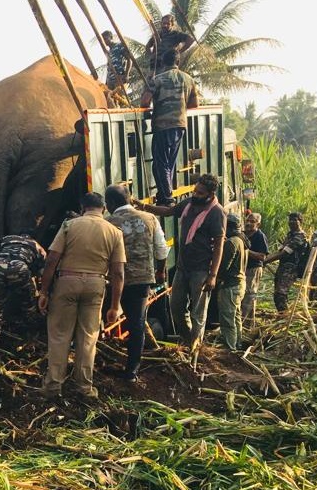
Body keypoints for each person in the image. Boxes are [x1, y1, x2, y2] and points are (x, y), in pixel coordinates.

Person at [39, 192, 125, 400]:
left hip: (67, 282)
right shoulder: (115, 232)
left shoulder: (69, 226)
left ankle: (52, 387)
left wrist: (43, 291)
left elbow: (51, 261)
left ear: (82, 207)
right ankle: (84, 388)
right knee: (87, 338)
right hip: (96, 284)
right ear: (103, 209)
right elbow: (118, 272)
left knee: (60, 336)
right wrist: (115, 305)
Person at [134, 174, 226, 352]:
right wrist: (143, 206)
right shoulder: (188, 204)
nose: (195, 194)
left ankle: (195, 349)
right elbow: (168, 211)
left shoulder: (217, 213)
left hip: (201, 269)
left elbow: (219, 246)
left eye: (200, 193)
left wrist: (213, 275)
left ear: (210, 193)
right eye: (195, 191)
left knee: (198, 312)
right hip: (183, 267)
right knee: (176, 307)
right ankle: (188, 338)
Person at [104, 185, 169, 381]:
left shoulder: (108, 223)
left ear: (111, 204)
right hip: (142, 280)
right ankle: (132, 371)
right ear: (130, 198)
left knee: (105, 318)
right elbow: (161, 250)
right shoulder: (150, 219)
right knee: (137, 324)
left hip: (114, 281)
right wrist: (159, 271)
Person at [140, 48, 200, 206]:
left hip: (162, 125)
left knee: (160, 163)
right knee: (169, 163)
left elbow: (144, 102)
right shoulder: (189, 79)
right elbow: (194, 104)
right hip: (180, 125)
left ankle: (167, 198)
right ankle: (163, 194)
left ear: (163, 63)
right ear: (178, 62)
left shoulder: (157, 80)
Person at [0, 233, 46, 354]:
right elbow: (42, 273)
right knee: (28, 306)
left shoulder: (6, 239)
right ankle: (31, 340)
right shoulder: (37, 246)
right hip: (20, 267)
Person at [264, 212, 310, 312]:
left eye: (295, 220)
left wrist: (265, 261)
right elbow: (280, 251)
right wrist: (265, 258)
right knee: (277, 294)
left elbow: (284, 253)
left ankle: (284, 316)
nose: (291, 222)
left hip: (291, 269)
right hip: (283, 267)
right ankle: (282, 315)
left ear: (300, 221)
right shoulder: (290, 235)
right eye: (290, 220)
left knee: (281, 294)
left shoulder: (300, 237)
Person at [214, 214, 247, 350]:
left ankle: (230, 348)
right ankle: (237, 343)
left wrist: (215, 279)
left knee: (227, 319)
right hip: (239, 284)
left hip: (230, 285)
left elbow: (223, 267)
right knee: (236, 316)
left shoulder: (231, 243)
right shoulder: (240, 240)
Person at [241, 212, 269, 323]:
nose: (248, 223)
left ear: (258, 224)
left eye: (252, 221)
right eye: (247, 220)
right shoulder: (243, 234)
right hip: (243, 268)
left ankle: (248, 324)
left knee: (249, 295)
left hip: (253, 269)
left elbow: (262, 256)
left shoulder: (260, 236)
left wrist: (246, 251)